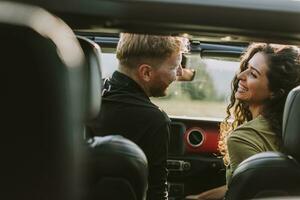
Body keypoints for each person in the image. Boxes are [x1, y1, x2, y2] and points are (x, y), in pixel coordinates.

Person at [186, 43, 300, 200]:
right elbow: (246, 184)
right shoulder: (289, 130)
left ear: (275, 93)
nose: (240, 76)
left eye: (253, 74)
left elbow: (249, 193)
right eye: (246, 67)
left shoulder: (243, 138)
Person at [87, 33, 188, 200]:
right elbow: (156, 193)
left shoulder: (85, 96)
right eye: (174, 67)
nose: (179, 73)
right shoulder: (154, 119)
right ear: (146, 72)